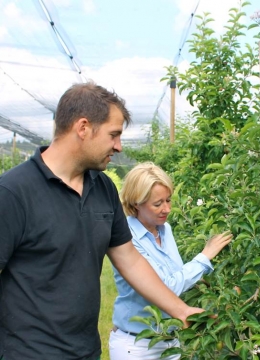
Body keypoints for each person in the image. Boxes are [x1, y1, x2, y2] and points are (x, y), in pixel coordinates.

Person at [0, 82, 204, 360]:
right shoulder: (13, 193)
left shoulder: (103, 188)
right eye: (114, 135)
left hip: (85, 350)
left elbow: (130, 260)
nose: (119, 146)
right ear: (83, 128)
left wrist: (181, 310)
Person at [109, 162, 232, 360]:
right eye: (157, 204)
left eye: (168, 200)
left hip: (170, 341)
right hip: (136, 346)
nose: (166, 209)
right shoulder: (126, 237)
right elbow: (165, 288)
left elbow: (176, 273)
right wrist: (204, 257)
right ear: (135, 204)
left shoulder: (165, 230)